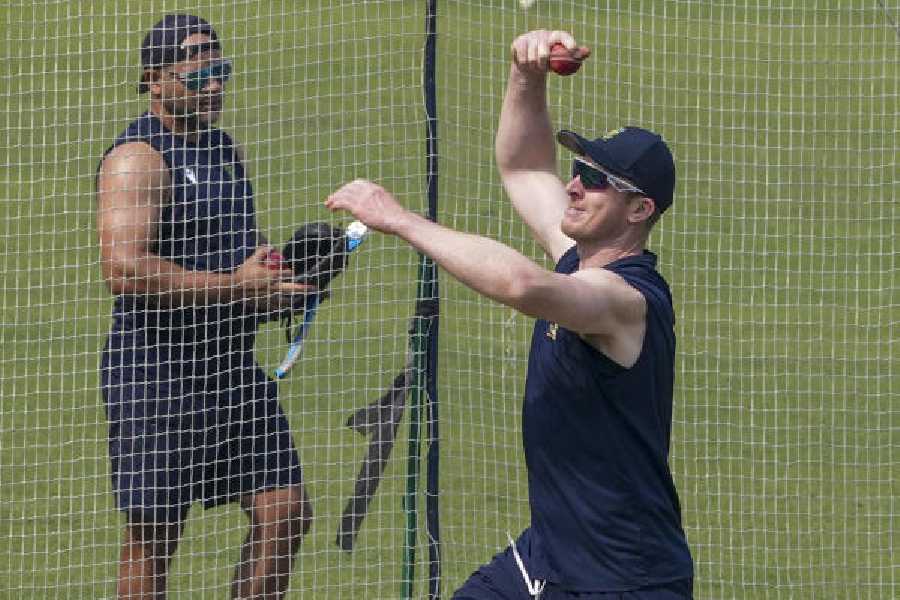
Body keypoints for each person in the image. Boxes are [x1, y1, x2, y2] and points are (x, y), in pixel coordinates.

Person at [325, 29, 694, 599]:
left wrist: (398, 219)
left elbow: (522, 285)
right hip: (546, 556)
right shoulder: (577, 259)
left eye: (596, 179)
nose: (574, 185)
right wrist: (527, 75)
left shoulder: (625, 300)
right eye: (578, 167)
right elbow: (524, 168)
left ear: (639, 209)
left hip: (624, 577)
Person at [96, 15, 313, 599]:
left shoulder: (222, 150)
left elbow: (240, 256)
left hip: (231, 367)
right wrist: (236, 286)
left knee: (284, 511)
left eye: (223, 73)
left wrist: (277, 286)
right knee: (155, 536)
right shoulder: (137, 159)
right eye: (200, 75)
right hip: (157, 374)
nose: (215, 87)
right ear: (155, 81)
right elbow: (124, 269)